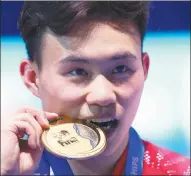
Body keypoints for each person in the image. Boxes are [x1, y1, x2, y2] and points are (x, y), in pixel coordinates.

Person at [1, 1, 190, 175]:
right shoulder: (8, 166)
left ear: (144, 68)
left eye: (120, 68)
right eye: (77, 72)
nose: (103, 95)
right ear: (33, 78)